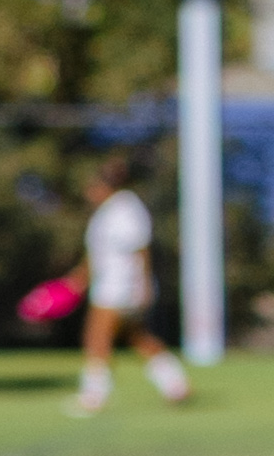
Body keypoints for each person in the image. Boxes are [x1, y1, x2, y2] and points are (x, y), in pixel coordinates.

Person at [72, 155, 189, 414]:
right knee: (137, 336)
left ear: (106, 186)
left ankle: (94, 396)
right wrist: (79, 279)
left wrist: (144, 285)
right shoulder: (107, 212)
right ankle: (175, 383)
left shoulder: (125, 208)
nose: (90, 192)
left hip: (121, 285)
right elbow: (98, 253)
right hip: (113, 284)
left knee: (97, 337)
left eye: (94, 186)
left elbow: (140, 250)